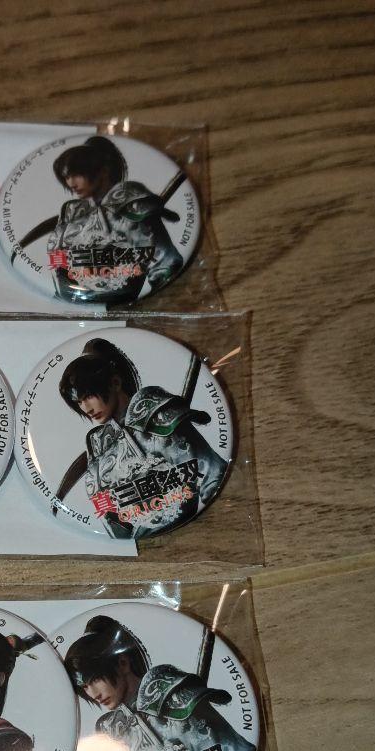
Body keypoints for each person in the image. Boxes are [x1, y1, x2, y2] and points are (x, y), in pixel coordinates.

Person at [62, 615, 255, 751]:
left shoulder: (174, 698)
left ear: (122, 663)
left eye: (95, 679)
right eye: (85, 687)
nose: (93, 694)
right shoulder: (110, 731)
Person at [56, 338, 226, 539]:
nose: (86, 409)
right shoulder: (99, 444)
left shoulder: (160, 417)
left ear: (115, 383)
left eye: (89, 396)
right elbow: (108, 512)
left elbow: (212, 475)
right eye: (79, 402)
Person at [43, 136, 183, 303]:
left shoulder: (133, 206)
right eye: (67, 176)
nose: (71, 183)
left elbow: (165, 261)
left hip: (122, 300)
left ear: (104, 170)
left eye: (78, 174)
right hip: (70, 298)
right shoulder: (73, 212)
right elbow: (57, 259)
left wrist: (156, 299)